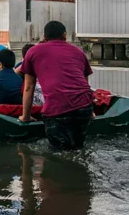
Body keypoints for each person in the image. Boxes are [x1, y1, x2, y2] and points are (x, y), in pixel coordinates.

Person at [19, 21, 94, 150]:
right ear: (64, 35)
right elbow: (85, 84)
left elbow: (28, 87)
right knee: (78, 148)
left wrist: (25, 116)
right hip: (84, 107)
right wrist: (91, 110)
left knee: (59, 152)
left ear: (44, 37)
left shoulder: (33, 52)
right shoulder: (79, 52)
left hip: (57, 108)